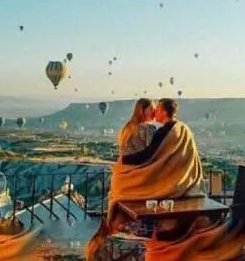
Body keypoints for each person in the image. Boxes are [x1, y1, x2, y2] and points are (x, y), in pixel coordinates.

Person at [85, 98, 204, 260]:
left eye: (158, 109)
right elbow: (159, 157)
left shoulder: (160, 131)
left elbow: (149, 155)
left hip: (168, 181)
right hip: (184, 181)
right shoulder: (181, 129)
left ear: (164, 111)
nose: (155, 112)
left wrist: (124, 162)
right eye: (152, 109)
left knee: (122, 183)